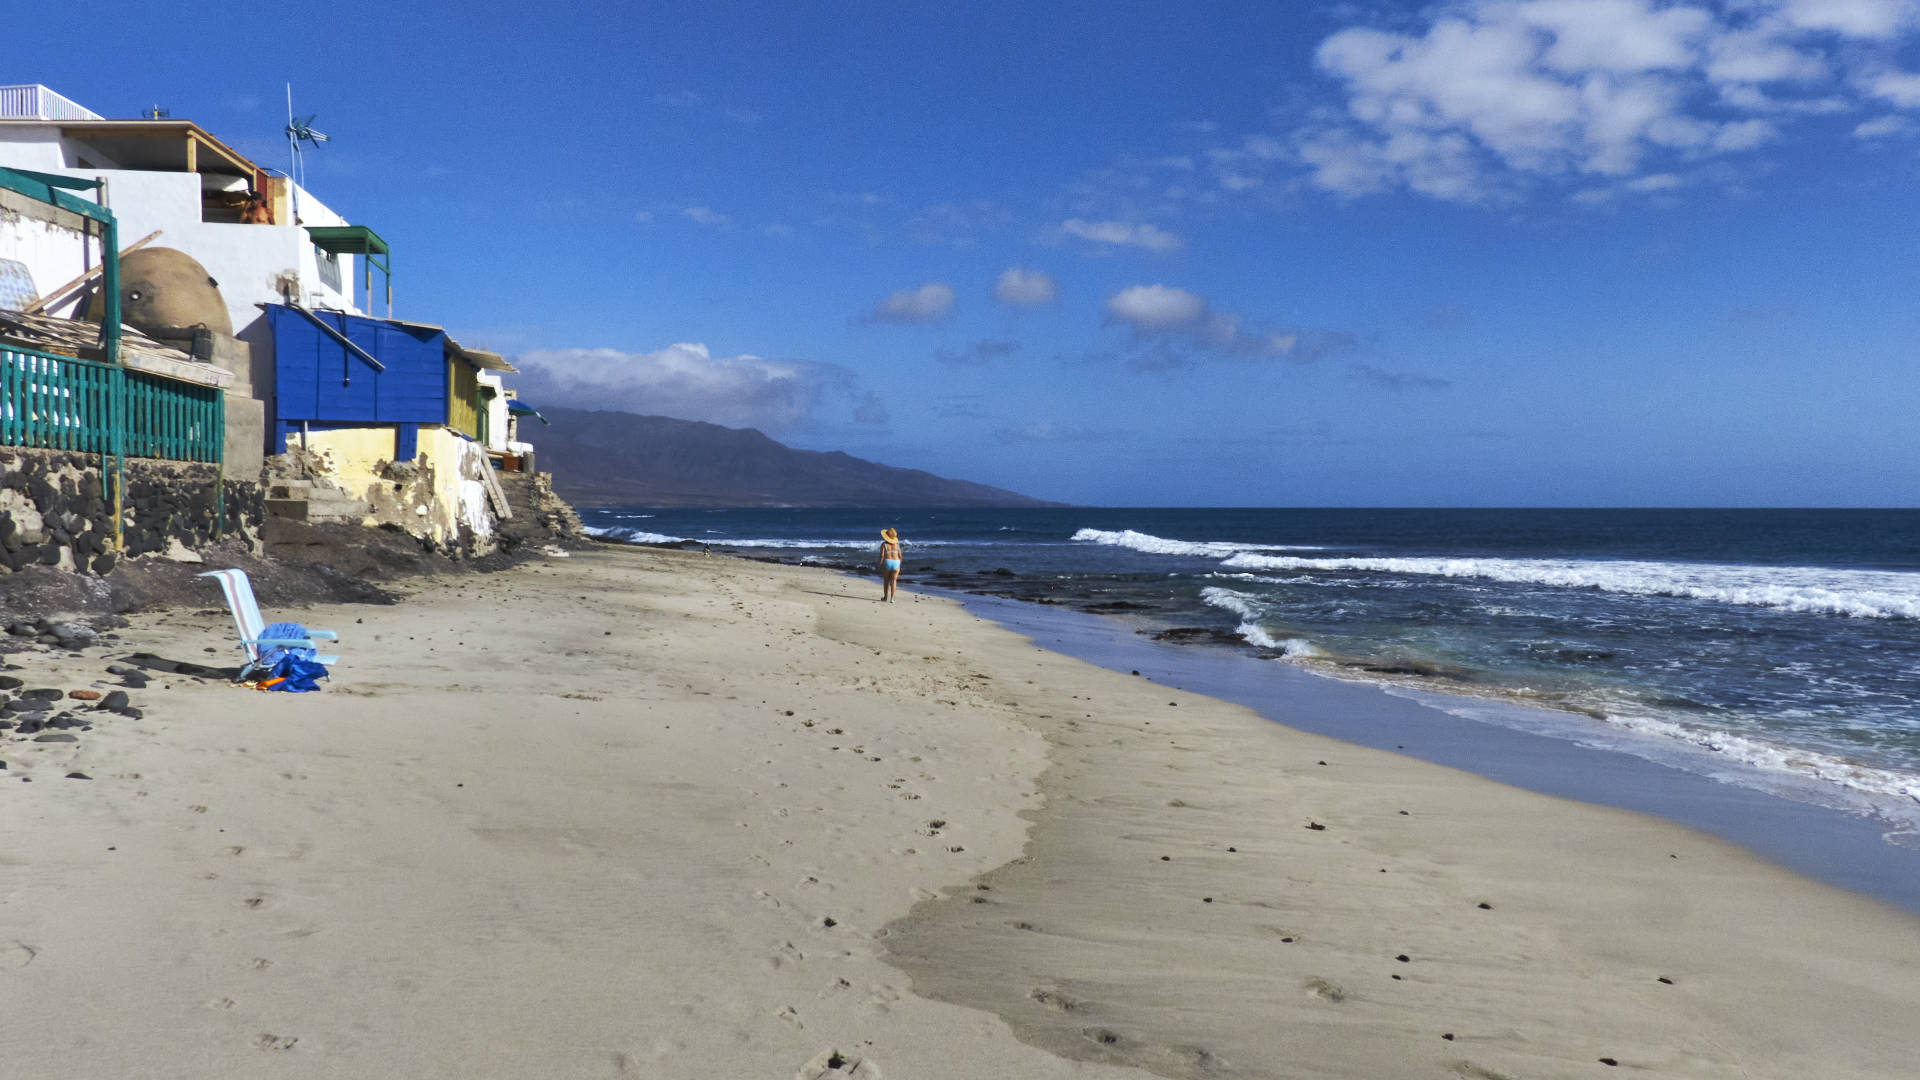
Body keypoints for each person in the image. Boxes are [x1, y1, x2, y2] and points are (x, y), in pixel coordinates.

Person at [878, 528, 902, 603]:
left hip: (887, 562)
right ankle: (892, 599)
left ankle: (885, 597)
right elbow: (900, 556)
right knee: (894, 581)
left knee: (886, 581)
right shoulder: (897, 545)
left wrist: (880, 563)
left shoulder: (884, 544)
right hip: (896, 562)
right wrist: (898, 565)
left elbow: (882, 556)